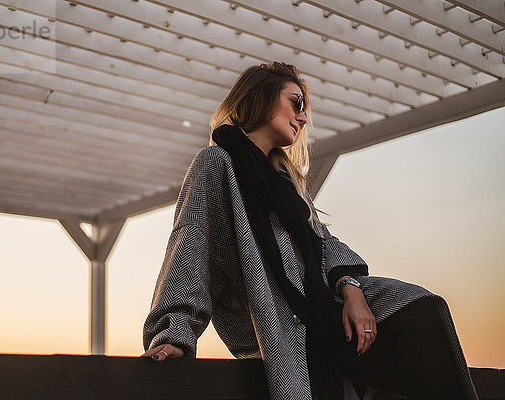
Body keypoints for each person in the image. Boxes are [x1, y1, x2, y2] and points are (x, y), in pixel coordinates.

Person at [141, 62, 478, 400]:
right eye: (296, 102)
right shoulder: (216, 163)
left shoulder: (285, 177)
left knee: (424, 311)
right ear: (261, 96)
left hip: (330, 304)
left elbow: (323, 239)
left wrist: (351, 287)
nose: (303, 118)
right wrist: (173, 336)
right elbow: (191, 245)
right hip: (278, 326)